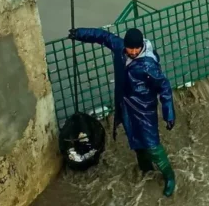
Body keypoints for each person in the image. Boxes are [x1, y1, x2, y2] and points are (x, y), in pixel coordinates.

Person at [68, 27, 176, 197]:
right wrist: (80, 34)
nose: (133, 52)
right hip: (126, 105)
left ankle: (169, 176)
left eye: (136, 48)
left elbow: (164, 87)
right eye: (130, 48)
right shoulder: (120, 48)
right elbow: (103, 36)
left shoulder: (149, 65)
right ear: (125, 45)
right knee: (135, 139)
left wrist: (168, 112)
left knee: (152, 144)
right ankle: (145, 167)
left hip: (144, 109)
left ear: (141, 46)